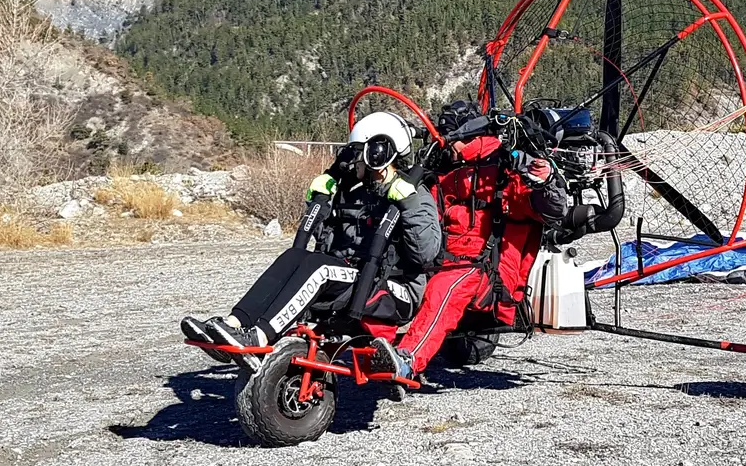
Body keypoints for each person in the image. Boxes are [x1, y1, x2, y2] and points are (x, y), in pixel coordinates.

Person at [182, 111, 441, 354]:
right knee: (293, 257)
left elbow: (426, 254)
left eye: (358, 154)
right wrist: (321, 201)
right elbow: (325, 240)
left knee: (321, 268)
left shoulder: (414, 195)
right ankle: (234, 323)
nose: (352, 162)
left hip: (394, 290)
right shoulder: (357, 192)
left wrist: (409, 205)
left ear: (378, 153)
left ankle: (260, 336)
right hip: (354, 277)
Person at [373, 100, 568, 379]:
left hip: (484, 270)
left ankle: (407, 361)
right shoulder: (447, 175)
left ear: (463, 136)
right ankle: (370, 345)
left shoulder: (504, 172)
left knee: (444, 289)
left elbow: (550, 211)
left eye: (448, 139)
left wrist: (546, 182)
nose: (444, 147)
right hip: (443, 262)